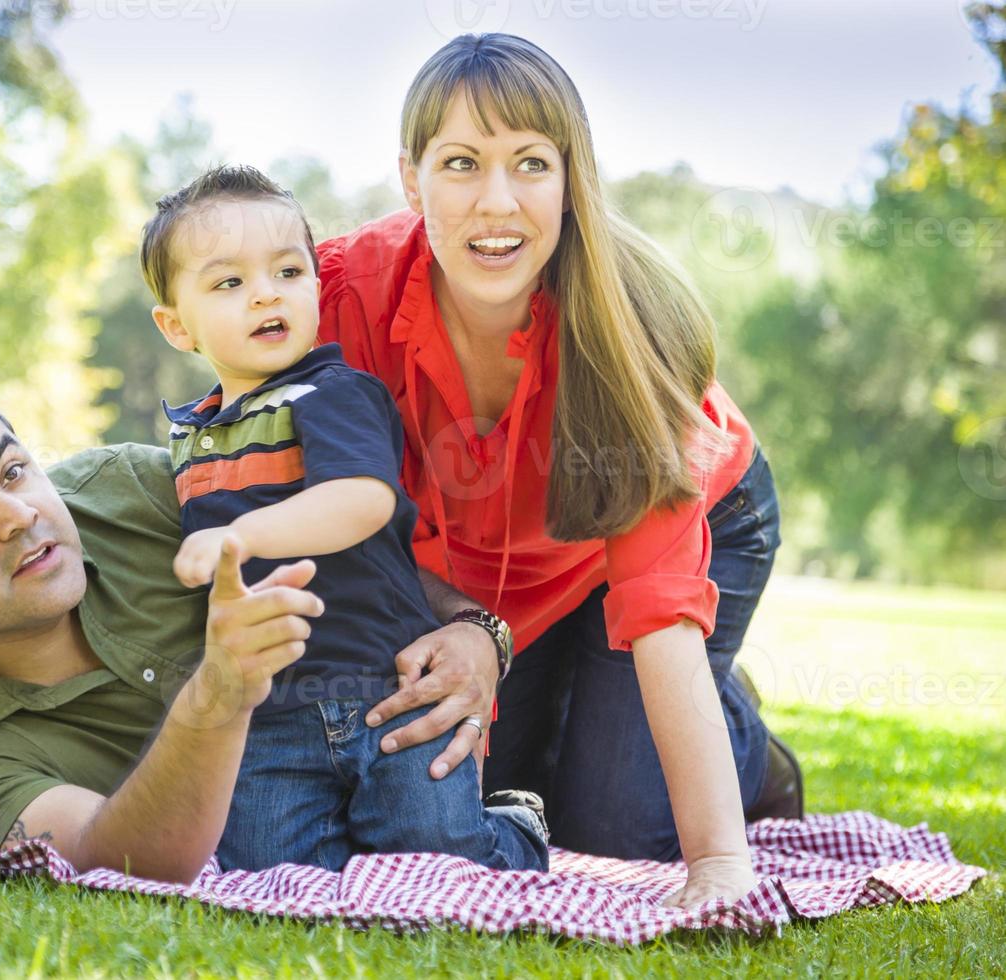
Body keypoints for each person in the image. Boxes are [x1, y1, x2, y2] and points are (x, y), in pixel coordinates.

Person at [314, 33, 801, 906]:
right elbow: (318, 514)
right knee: (488, 777)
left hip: (691, 527)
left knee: (615, 830)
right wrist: (476, 631)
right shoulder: (341, 298)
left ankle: (740, 733)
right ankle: (589, 704)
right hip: (494, 582)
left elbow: (657, 609)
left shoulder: (626, 339)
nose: (495, 203)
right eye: (460, 163)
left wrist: (722, 870)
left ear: (572, 178)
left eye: (530, 163)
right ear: (409, 177)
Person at [141, 164, 548, 873]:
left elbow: (363, 500)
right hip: (268, 712)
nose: (265, 292)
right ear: (177, 325)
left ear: (316, 287)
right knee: (271, 870)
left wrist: (242, 537)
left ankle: (514, 828)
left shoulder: (331, 393)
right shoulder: (194, 439)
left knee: (437, 858)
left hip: (387, 688)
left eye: (288, 271)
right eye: (228, 283)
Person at [0, 375, 328, 882]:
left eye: (12, 471)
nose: (18, 514)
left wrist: (414, 633)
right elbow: (122, 862)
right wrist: (220, 692)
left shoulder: (132, 489)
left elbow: (356, 536)